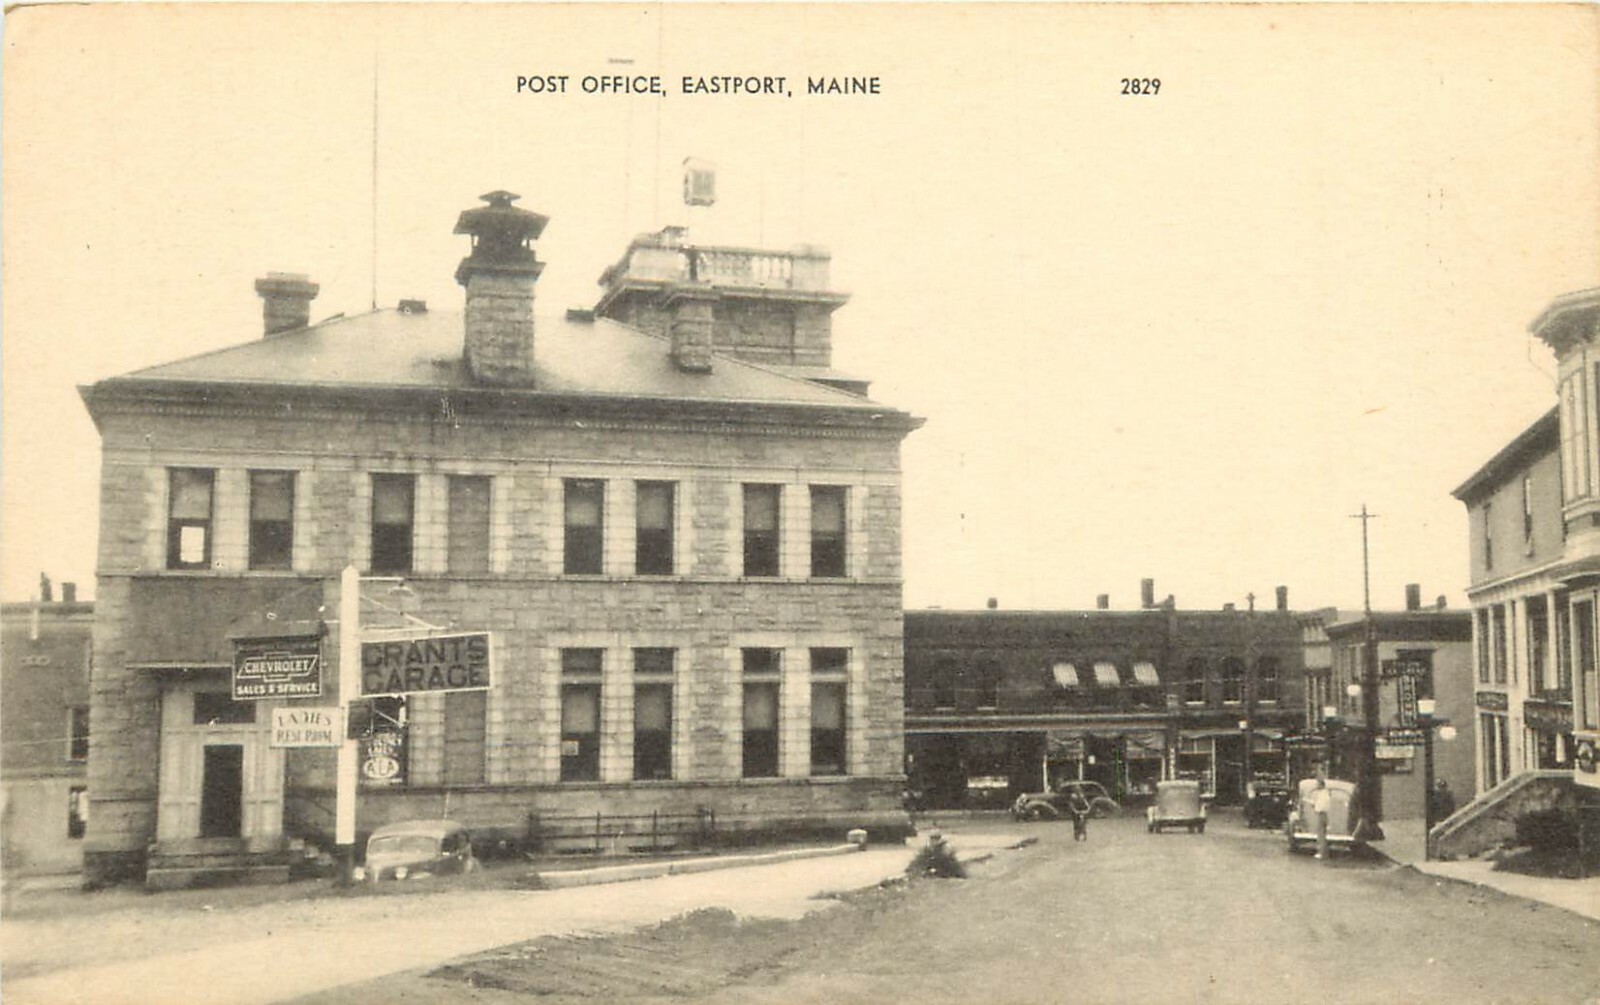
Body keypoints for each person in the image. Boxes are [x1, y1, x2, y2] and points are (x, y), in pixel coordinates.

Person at [1310, 776, 1331, 861]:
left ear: (1321, 785)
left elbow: (1321, 806)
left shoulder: (1323, 794)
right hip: (1323, 814)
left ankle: (1321, 853)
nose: (1316, 786)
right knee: (1322, 834)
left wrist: (1314, 805)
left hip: (1322, 814)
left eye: (1317, 784)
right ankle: (1323, 852)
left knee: (1321, 834)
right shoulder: (1325, 793)